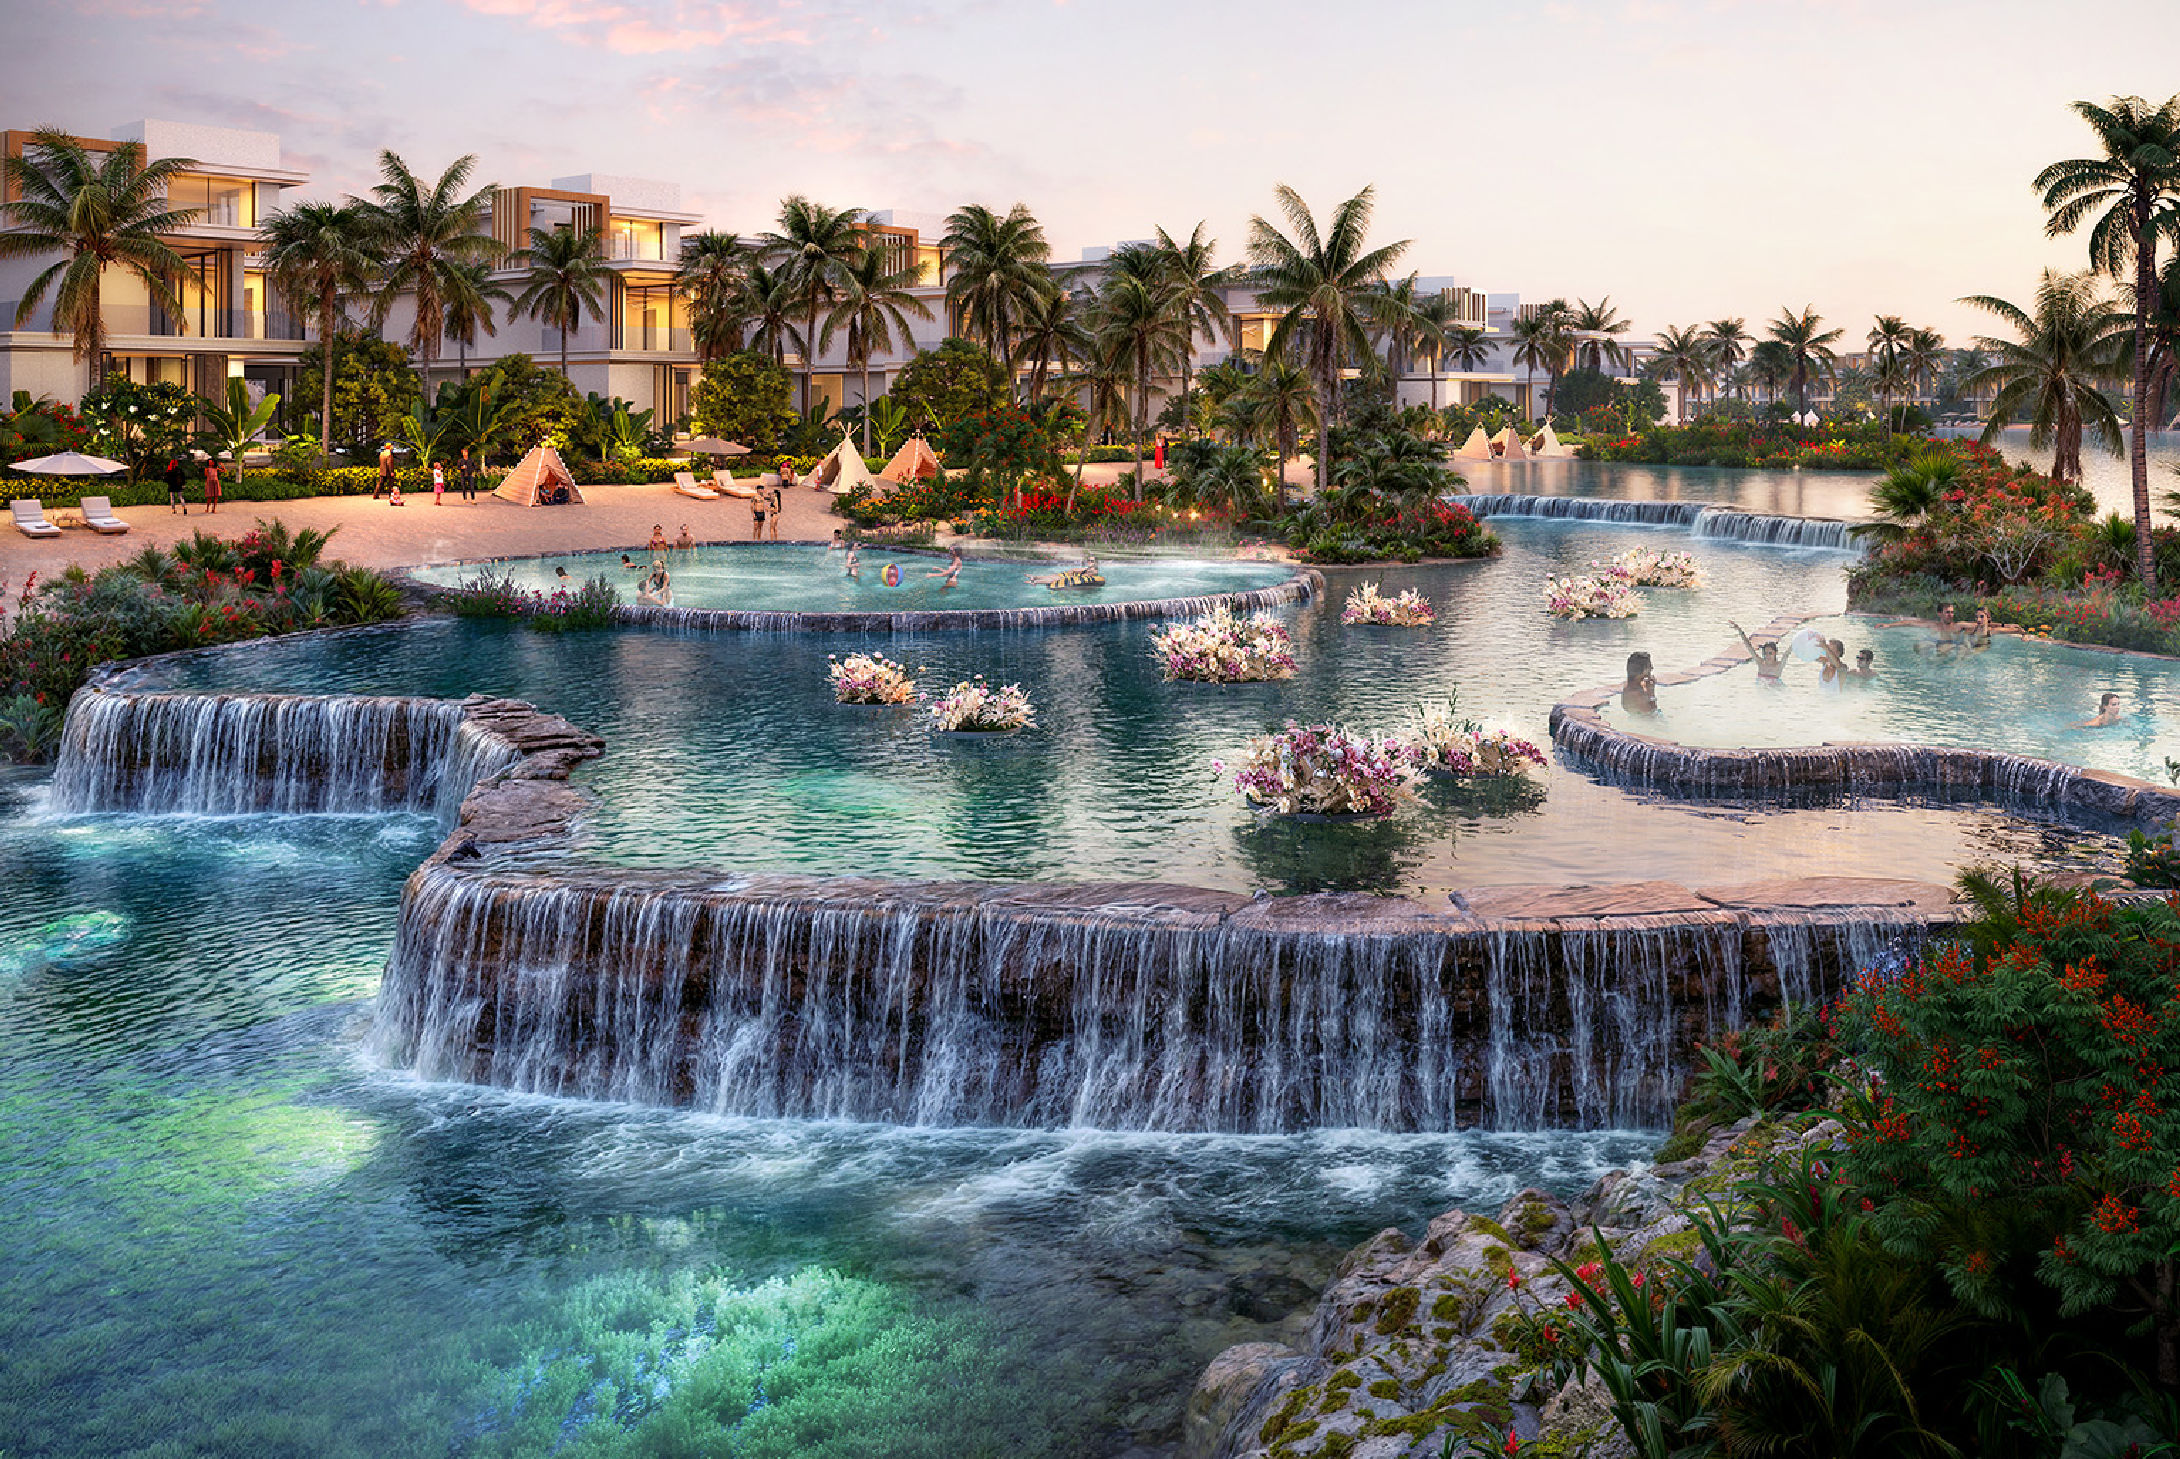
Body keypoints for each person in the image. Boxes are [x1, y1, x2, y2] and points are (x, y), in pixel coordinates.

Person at [1620, 651, 1658, 715]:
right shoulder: (1635, 693)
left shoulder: (1634, 686)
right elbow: (1651, 715)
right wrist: (1651, 692)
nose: (1652, 668)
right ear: (1642, 670)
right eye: (1649, 666)